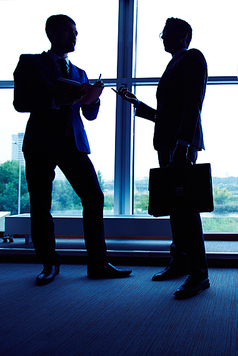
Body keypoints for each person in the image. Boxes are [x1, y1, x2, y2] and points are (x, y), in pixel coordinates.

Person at [13, 14, 132, 285]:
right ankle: (49, 264)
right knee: (41, 204)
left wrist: (94, 99)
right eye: (68, 31)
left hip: (74, 143)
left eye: (75, 32)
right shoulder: (30, 63)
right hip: (41, 142)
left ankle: (98, 263)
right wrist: (55, 99)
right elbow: (20, 102)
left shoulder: (80, 73)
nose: (74, 36)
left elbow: (88, 115)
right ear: (51, 32)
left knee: (94, 196)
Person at [115, 18, 209, 299]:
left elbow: (194, 102)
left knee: (186, 207)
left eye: (167, 34)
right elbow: (169, 112)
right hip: (169, 142)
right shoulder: (174, 64)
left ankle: (199, 273)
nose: (163, 38)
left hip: (180, 143)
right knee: (174, 206)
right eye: (162, 34)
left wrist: (182, 143)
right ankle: (180, 262)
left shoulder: (192, 58)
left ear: (184, 35)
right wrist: (140, 106)